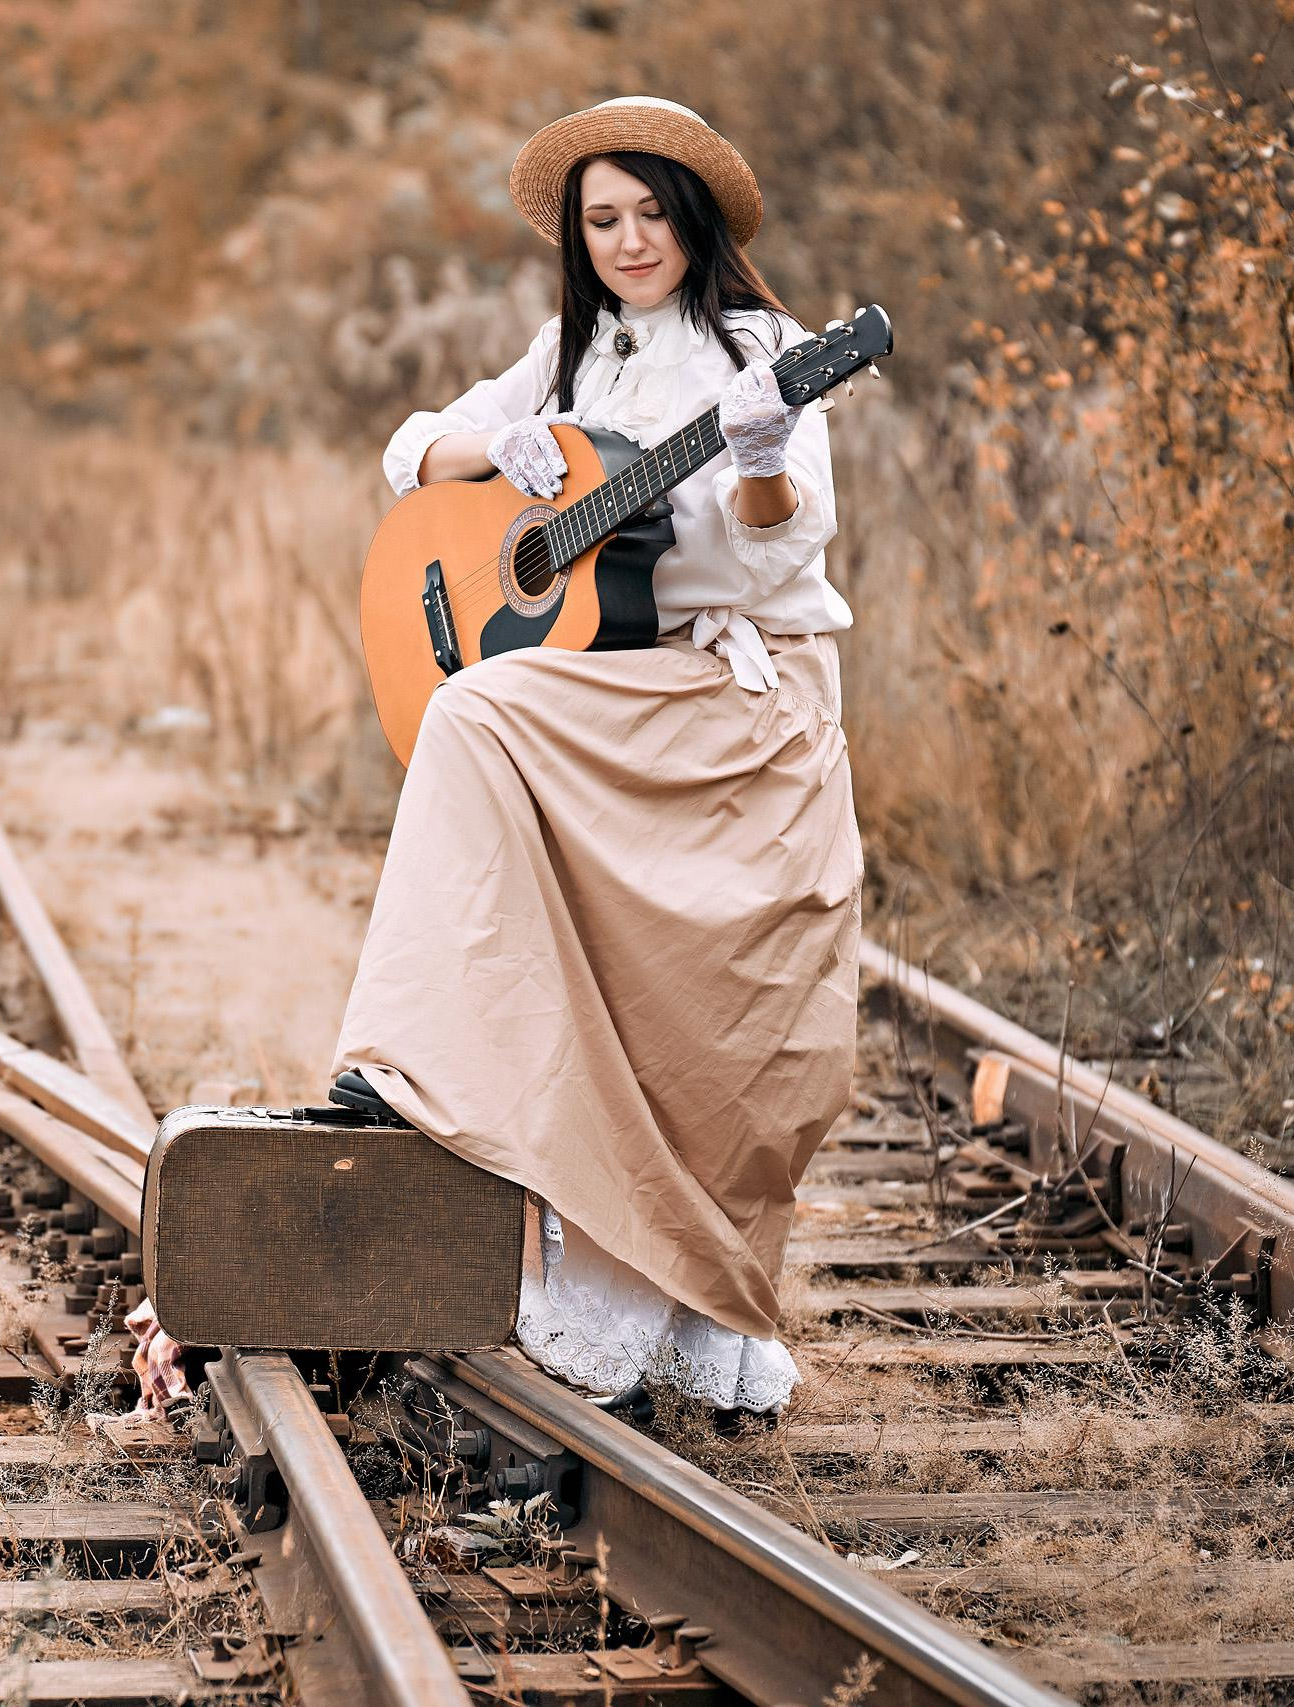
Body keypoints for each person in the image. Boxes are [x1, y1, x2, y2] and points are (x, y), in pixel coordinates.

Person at [329, 97, 862, 1422]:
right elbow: (411, 453)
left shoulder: (766, 354)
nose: (629, 242)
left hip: (737, 699)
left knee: (478, 718)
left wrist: (755, 464)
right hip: (622, 689)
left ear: (695, 216)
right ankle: (403, 1075)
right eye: (601, 221)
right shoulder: (569, 355)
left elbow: (778, 548)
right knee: (476, 716)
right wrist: (488, 447)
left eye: (648, 214)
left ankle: (401, 1069)